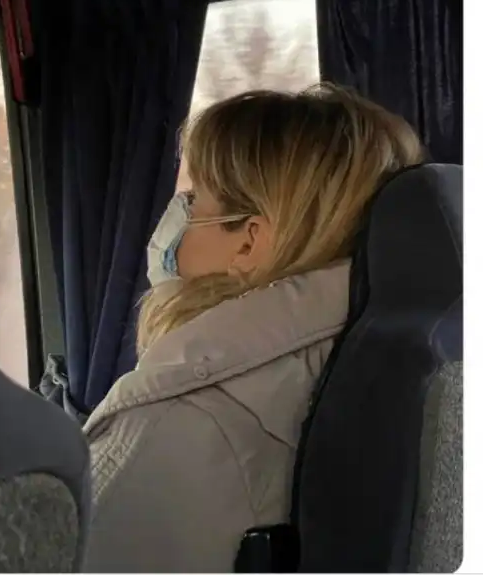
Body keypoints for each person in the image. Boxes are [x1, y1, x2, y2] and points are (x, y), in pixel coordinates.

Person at [83, 85, 424, 573]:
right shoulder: (389, 359)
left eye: (194, 200)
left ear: (248, 243)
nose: (174, 220)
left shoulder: (180, 422)